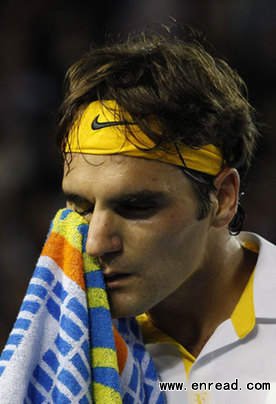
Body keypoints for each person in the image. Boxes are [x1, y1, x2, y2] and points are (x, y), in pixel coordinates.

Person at [57, 26, 276, 403]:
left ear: (223, 198)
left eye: (137, 207)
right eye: (82, 206)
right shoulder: (64, 351)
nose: (95, 242)